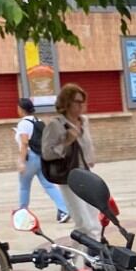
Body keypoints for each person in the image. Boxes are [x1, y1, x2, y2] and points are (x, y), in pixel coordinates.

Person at [14, 96, 69, 222]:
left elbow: (24, 143)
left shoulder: (23, 123)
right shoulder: (38, 120)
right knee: (49, 185)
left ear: (21, 109)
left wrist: (21, 162)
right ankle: (64, 210)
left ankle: (23, 212)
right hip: (41, 157)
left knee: (24, 186)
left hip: (30, 158)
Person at [49, 83, 96, 224]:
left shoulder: (84, 121)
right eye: (77, 102)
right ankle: (85, 245)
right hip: (69, 176)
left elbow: (88, 143)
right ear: (67, 103)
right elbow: (49, 153)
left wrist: (90, 157)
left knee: (94, 217)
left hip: (86, 173)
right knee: (83, 222)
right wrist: (67, 141)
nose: (82, 105)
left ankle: (86, 245)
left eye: (83, 101)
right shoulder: (56, 124)